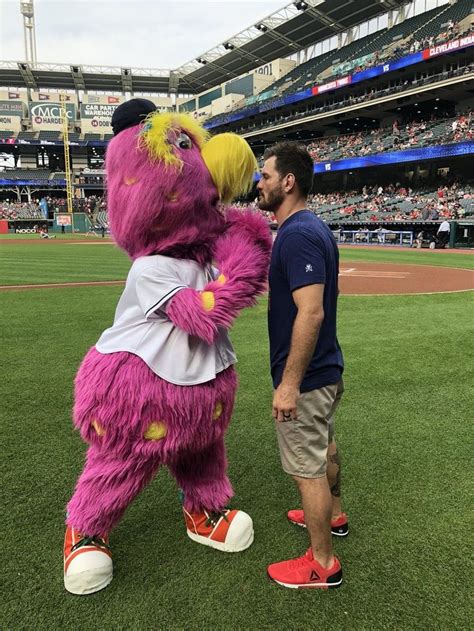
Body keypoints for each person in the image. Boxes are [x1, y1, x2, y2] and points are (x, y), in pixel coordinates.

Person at [257, 142, 346, 590]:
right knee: (325, 446)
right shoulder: (313, 228)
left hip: (308, 379)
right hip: (327, 370)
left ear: (287, 182)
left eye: (266, 175)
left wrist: (289, 385)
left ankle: (322, 563)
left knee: (305, 469)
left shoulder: (296, 234)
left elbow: (311, 312)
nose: (260, 182)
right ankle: (335, 514)